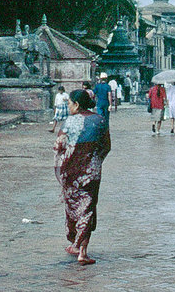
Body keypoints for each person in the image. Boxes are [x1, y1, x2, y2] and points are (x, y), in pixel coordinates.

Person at [54, 89, 111, 265]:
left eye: (69, 103)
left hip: (70, 172)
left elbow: (58, 147)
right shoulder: (100, 121)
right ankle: (82, 251)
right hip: (91, 172)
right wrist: (94, 160)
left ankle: (74, 243)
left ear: (77, 105)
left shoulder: (68, 123)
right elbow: (106, 147)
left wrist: (62, 165)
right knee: (88, 208)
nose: (68, 106)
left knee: (72, 208)